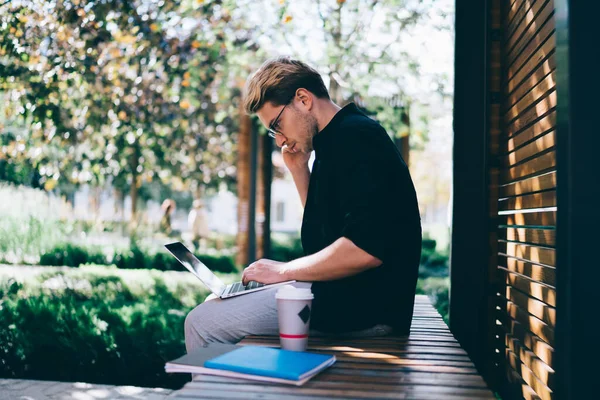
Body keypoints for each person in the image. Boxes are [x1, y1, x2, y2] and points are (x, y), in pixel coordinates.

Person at [184, 57, 422, 353]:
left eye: (277, 125)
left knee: (202, 322)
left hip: (364, 308)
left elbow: (366, 250)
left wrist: (284, 271)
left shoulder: (356, 138)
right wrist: (299, 170)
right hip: (348, 298)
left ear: (303, 99)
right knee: (215, 305)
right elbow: (326, 236)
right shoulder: (334, 141)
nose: (280, 139)